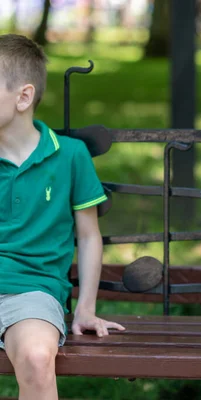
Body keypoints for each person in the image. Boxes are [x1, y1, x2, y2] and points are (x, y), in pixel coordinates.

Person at [0, 34, 124, 400]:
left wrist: (85, 308)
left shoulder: (70, 156)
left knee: (38, 358)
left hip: (31, 292)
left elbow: (88, 237)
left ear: (23, 97)